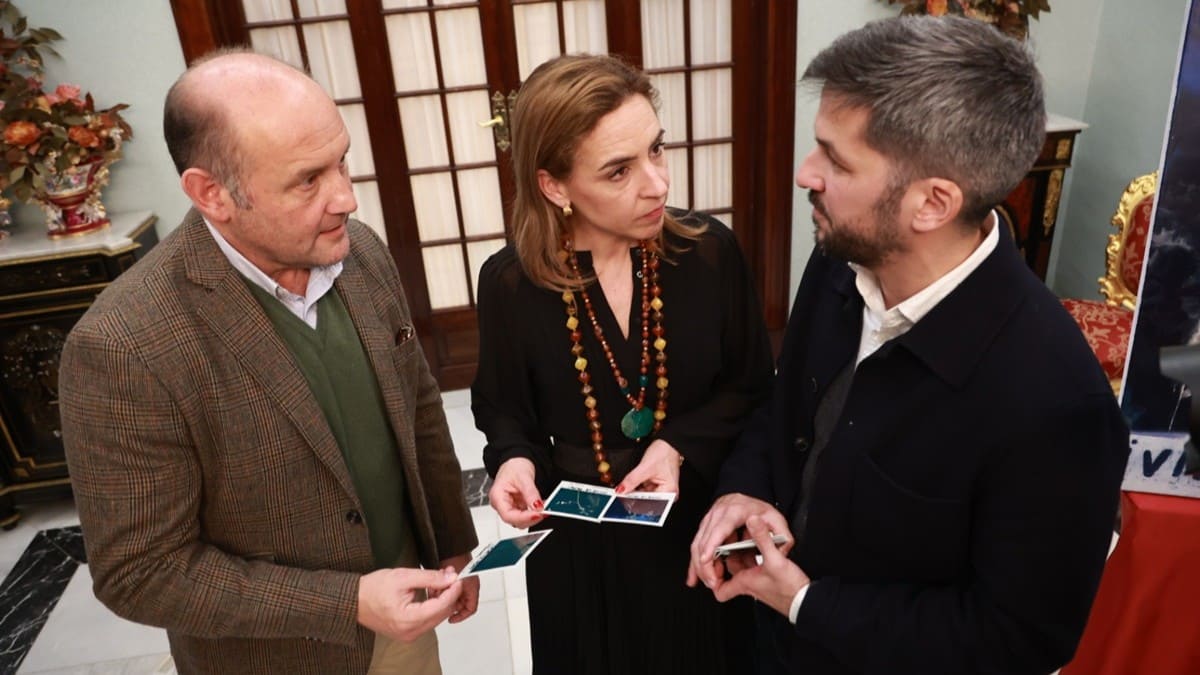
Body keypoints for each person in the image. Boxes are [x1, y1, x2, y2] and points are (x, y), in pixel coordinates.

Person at [687, 16, 1129, 675]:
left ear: (932, 202)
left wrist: (809, 603)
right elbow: (786, 410)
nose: (807, 173)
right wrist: (745, 488)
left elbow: (1018, 639)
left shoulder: (1057, 405)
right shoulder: (840, 259)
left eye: (836, 159)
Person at [58, 50, 479, 675]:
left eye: (341, 163)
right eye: (308, 180)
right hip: (272, 658)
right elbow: (138, 572)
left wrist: (449, 545)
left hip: (407, 619)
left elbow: (416, 404)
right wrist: (346, 603)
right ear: (212, 194)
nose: (347, 200)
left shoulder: (358, 254)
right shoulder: (124, 345)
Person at [471, 54, 774, 674]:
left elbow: (750, 386)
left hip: (695, 525)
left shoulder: (709, 255)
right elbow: (504, 409)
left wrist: (676, 446)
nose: (657, 184)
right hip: (579, 546)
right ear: (554, 186)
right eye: (618, 171)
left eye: (656, 151)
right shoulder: (510, 284)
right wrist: (515, 459)